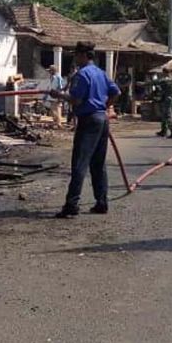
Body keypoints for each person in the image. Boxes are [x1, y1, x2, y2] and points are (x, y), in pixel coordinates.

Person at [49, 42, 121, 218]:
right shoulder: (101, 73)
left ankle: (71, 205)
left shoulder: (82, 75)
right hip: (101, 119)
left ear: (83, 55)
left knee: (80, 163)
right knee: (98, 163)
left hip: (88, 120)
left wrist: (58, 95)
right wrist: (105, 106)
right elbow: (116, 92)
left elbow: (76, 100)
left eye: (76, 55)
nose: (75, 58)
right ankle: (101, 202)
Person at [155, 67, 172, 138]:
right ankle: (164, 130)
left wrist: (142, 84)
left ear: (164, 72)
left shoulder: (164, 80)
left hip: (168, 99)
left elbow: (153, 82)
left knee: (167, 116)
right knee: (167, 115)